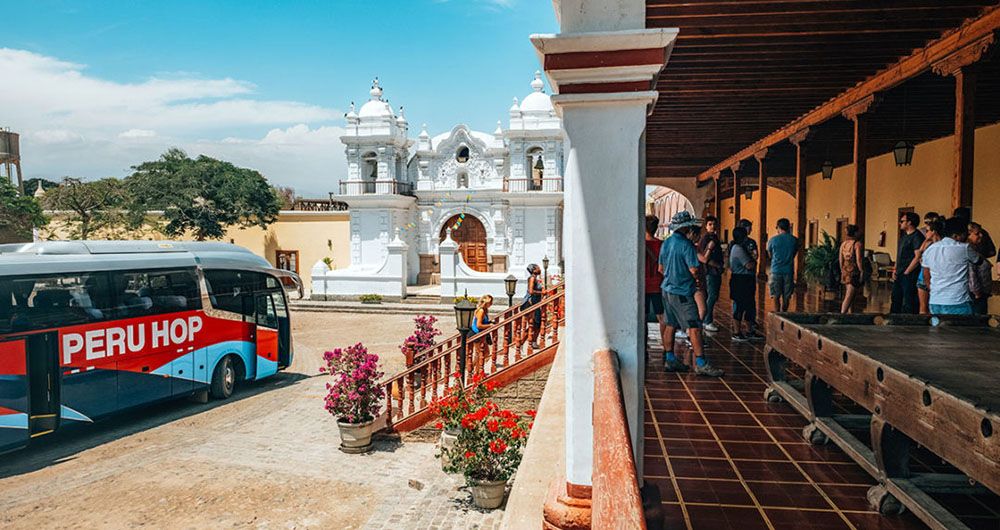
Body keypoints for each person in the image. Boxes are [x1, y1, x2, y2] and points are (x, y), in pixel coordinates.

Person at [658, 211, 724, 377]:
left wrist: (672, 276)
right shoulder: (686, 245)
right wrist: (695, 282)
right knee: (694, 326)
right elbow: (694, 269)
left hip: (667, 290)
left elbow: (660, 268)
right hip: (683, 292)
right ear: (686, 227)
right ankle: (701, 363)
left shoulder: (666, 243)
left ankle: (670, 359)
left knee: (670, 324)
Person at [921, 217, 979, 315]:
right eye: (966, 234)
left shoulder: (930, 249)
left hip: (935, 300)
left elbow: (926, 273)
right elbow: (979, 261)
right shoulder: (964, 248)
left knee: (938, 329)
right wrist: (972, 243)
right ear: (956, 235)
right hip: (958, 301)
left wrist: (931, 288)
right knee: (962, 330)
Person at [905, 216, 943, 315]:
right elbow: (920, 253)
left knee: (934, 305)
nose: (925, 233)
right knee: (923, 306)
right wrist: (926, 240)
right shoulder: (927, 243)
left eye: (927, 231)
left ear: (934, 231)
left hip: (934, 276)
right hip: (923, 276)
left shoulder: (941, 245)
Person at [891, 212, 925, 314]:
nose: (899, 223)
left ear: (909, 222)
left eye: (902, 221)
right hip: (900, 272)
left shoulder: (917, 237)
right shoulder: (904, 237)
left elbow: (918, 256)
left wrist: (907, 271)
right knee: (896, 297)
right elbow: (899, 254)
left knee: (909, 299)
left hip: (909, 273)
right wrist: (895, 269)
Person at [729, 227, 758, 342]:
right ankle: (737, 332)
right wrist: (754, 260)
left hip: (746, 279)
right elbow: (749, 265)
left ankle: (749, 330)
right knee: (740, 306)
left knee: (749, 306)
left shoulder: (740, 247)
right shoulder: (738, 249)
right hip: (741, 280)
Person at [644, 215, 667, 348]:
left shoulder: (641, 244)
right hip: (658, 283)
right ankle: (666, 346)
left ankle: (644, 346)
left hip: (644, 284)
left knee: (644, 317)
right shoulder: (661, 244)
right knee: (661, 316)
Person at [766, 218, 798, 312]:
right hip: (788, 270)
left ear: (778, 227)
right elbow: (794, 253)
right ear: (788, 227)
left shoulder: (772, 240)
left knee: (775, 295)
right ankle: (784, 312)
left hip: (776, 270)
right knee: (786, 296)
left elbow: (770, 254)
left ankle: (777, 314)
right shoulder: (794, 240)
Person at [698, 216, 724, 332]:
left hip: (715, 272)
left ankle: (707, 319)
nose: (712, 226)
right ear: (706, 226)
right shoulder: (706, 238)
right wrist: (716, 265)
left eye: (714, 224)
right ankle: (707, 321)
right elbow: (704, 257)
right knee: (711, 296)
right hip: (710, 271)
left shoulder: (714, 237)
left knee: (713, 296)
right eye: (710, 224)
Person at [968, 222, 993, 315]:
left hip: (981, 293)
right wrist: (976, 292)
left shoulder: (976, 249)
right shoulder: (969, 251)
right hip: (976, 295)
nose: (981, 236)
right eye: (977, 233)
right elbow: (971, 273)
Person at [839, 225, 864, 314]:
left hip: (845, 269)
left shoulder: (843, 244)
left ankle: (850, 313)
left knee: (851, 294)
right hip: (854, 270)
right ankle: (842, 314)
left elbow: (840, 259)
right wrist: (861, 270)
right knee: (849, 295)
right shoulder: (857, 244)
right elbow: (859, 259)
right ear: (855, 232)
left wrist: (842, 269)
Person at [523, 264, 544, 348]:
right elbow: (531, 291)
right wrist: (542, 292)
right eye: (538, 268)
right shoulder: (532, 278)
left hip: (536, 303)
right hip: (531, 303)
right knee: (534, 324)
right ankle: (521, 342)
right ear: (534, 270)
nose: (540, 269)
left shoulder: (535, 279)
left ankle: (533, 342)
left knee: (537, 324)